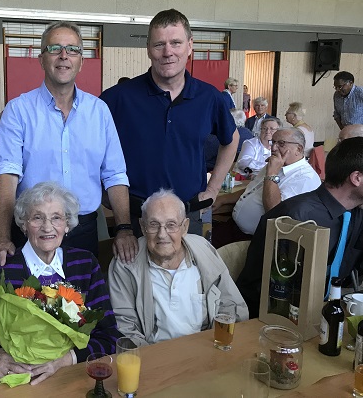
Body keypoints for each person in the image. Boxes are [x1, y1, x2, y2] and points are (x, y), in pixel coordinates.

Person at [0, 21, 136, 268]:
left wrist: (124, 228)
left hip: (84, 232)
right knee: (31, 303)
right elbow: (7, 174)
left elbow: (115, 175)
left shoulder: (99, 112)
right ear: (41, 59)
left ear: (81, 61)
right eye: (55, 48)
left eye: (72, 49)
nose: (64, 56)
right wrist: (1, 236)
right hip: (32, 231)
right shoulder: (19, 110)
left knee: (82, 303)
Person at [0, 182, 120, 384]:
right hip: (18, 384)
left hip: (73, 379)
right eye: (37, 217)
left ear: (67, 224)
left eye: (56, 218)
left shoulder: (85, 265)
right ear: (23, 224)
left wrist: (65, 360)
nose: (47, 227)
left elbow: (109, 337)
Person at [100, 9, 239, 236]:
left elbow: (231, 140)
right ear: (148, 49)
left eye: (176, 43)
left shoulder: (209, 97)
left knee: (191, 272)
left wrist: (213, 187)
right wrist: (103, 192)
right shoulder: (118, 98)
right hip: (136, 219)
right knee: (134, 273)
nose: (168, 52)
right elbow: (87, 149)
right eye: (159, 45)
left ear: (190, 46)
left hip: (188, 217)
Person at [236, 137, 363, 317]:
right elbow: (260, 286)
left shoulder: (356, 215)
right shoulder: (294, 216)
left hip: (329, 313)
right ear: (356, 178)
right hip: (277, 318)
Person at [108, 189, 248, 346]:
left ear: (185, 227)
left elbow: (230, 304)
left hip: (206, 349)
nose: (162, 234)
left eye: (171, 225)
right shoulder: (126, 264)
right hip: (154, 357)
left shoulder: (203, 250)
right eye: (154, 225)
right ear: (142, 226)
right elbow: (125, 327)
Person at [213, 128, 321, 247]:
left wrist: (271, 174)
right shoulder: (276, 164)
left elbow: (275, 211)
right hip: (233, 227)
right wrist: (223, 199)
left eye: (281, 143)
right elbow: (252, 190)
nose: (273, 148)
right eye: (273, 142)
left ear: (298, 149)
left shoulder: (305, 178)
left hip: (257, 241)